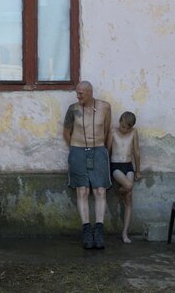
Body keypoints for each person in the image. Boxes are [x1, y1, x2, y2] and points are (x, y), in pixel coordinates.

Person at [63, 81, 112, 249]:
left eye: (81, 94)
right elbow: (66, 131)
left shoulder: (105, 107)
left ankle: (99, 230)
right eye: (77, 93)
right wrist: (76, 148)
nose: (78, 96)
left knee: (100, 190)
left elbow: (106, 131)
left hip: (98, 150)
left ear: (90, 92)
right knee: (82, 190)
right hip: (78, 150)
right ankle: (86, 230)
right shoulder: (73, 109)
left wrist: (101, 149)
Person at [108, 111, 142, 244]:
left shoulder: (134, 133)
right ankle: (118, 192)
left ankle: (125, 233)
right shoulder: (113, 132)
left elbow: (136, 152)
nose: (123, 129)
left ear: (131, 127)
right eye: (122, 126)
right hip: (115, 165)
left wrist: (138, 170)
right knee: (129, 186)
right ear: (119, 122)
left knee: (129, 197)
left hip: (128, 165)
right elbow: (107, 150)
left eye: (126, 128)